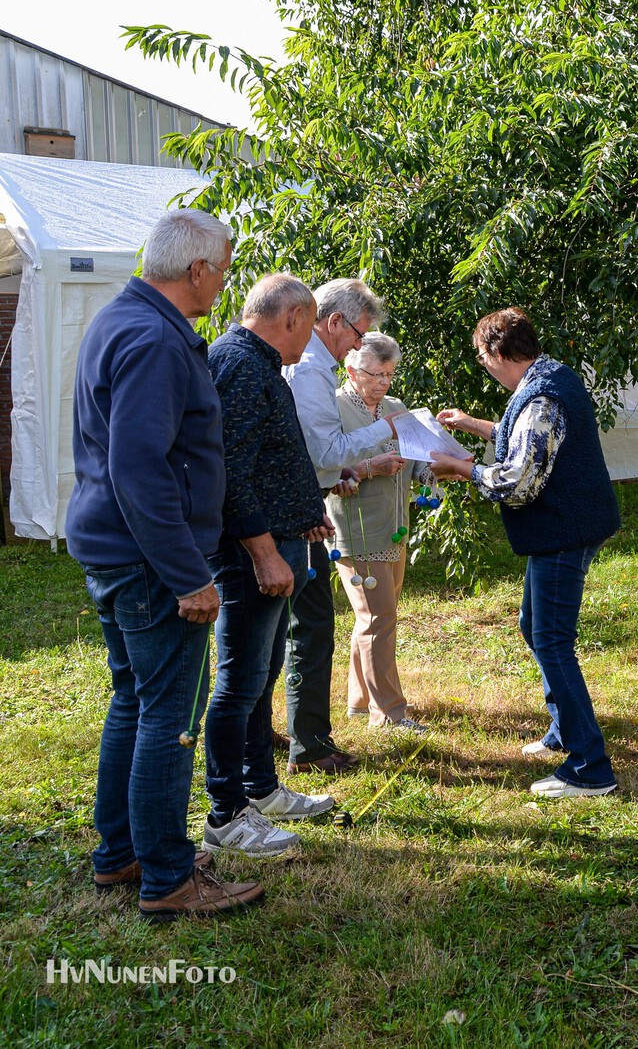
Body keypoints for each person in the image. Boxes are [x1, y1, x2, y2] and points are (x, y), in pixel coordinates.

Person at [66, 207, 263, 920]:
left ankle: (121, 851)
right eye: (225, 268)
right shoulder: (153, 336)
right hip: (151, 560)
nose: (225, 282)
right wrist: (188, 574)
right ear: (198, 269)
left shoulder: (125, 317)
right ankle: (168, 876)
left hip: (118, 548)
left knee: (135, 701)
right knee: (168, 718)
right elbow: (139, 467)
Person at [432, 307, 621, 798]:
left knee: (553, 640)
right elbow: (528, 439)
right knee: (532, 625)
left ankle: (590, 767)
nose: (483, 365)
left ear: (498, 352)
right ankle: (563, 732)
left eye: (481, 357)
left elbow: (518, 482)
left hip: (564, 528)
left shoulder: (541, 397)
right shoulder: (549, 376)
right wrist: (472, 424)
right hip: (568, 524)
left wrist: (461, 470)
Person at [204, 274, 342, 860]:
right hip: (246, 555)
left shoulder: (260, 362)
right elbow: (229, 467)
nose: (309, 340)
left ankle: (260, 788)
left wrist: (304, 513)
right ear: (291, 318)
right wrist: (263, 549)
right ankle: (226, 811)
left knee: (259, 677)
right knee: (239, 681)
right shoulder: (239, 363)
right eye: (310, 326)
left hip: (277, 540)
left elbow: (270, 458)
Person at [282, 278, 404, 774]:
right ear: (334, 323)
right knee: (338, 624)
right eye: (358, 336)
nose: (358, 344)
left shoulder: (313, 368)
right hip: (329, 524)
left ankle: (333, 718)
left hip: (371, 518)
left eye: (389, 374)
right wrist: (376, 444)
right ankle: (357, 723)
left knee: (344, 622)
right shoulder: (315, 376)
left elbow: (319, 459)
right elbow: (325, 451)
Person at [328, 331, 428, 732]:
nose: (383, 383)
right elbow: (323, 463)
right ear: (351, 369)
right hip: (355, 527)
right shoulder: (332, 407)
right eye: (375, 374)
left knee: (374, 617)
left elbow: (417, 455)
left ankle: (359, 700)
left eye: (389, 374)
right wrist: (371, 468)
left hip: (394, 526)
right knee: (378, 619)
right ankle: (389, 714)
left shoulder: (396, 407)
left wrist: (433, 466)